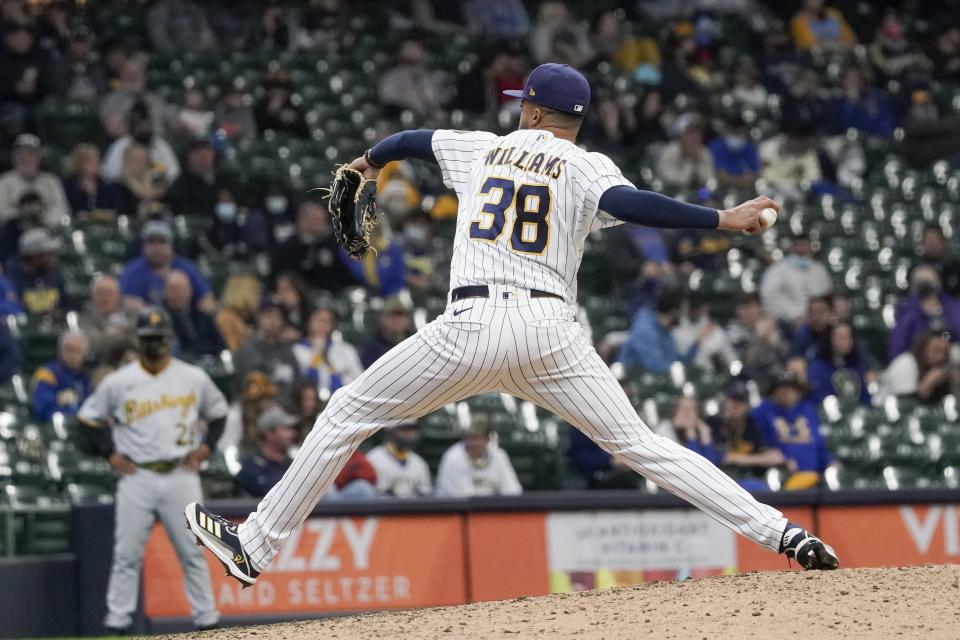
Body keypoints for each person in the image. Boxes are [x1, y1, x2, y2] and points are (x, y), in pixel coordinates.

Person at [187, 63, 838, 588]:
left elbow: (408, 142)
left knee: (346, 413)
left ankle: (254, 547)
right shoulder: (587, 167)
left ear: (529, 111)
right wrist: (723, 218)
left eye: (519, 103)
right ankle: (782, 533)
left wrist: (365, 164)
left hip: (472, 324)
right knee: (643, 446)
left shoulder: (481, 149)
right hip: (552, 334)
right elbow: (633, 206)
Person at [79, 307, 226, 633]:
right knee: (127, 554)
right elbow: (88, 418)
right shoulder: (121, 381)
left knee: (193, 551)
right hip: (138, 476)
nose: (155, 343)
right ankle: (117, 621)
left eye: (160, 338)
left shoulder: (193, 377)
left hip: (181, 475)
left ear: (171, 338)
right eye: (148, 338)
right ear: (138, 340)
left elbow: (218, 412)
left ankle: (207, 618)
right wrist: (110, 454)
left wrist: (207, 447)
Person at [751, 371, 832, 491]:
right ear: (773, 390)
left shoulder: (808, 409)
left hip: (817, 474)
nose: (786, 392)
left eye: (791, 388)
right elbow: (760, 444)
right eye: (780, 387)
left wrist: (829, 460)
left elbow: (818, 441)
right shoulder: (762, 411)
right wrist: (779, 459)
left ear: (799, 391)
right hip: (783, 475)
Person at [120, 220, 214, 312]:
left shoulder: (186, 267)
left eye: (162, 241)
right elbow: (130, 304)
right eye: (151, 242)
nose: (156, 247)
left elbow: (207, 300)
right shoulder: (133, 270)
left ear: (171, 246)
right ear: (143, 246)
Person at [707, 382, 785, 491]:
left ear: (746, 406)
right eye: (731, 400)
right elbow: (723, 457)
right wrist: (759, 459)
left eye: (739, 402)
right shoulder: (712, 422)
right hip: (720, 477)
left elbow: (765, 452)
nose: (734, 405)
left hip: (748, 477)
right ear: (724, 401)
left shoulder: (751, 423)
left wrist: (769, 455)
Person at [270, 199, 357, 294]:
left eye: (323, 219)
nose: (322, 224)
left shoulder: (335, 243)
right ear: (301, 221)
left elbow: (348, 273)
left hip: (336, 294)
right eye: (316, 219)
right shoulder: (286, 250)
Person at [618, 288, 704, 373]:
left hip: (659, 382)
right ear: (674, 311)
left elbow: (676, 361)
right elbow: (658, 367)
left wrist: (696, 343)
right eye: (683, 311)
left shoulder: (666, 332)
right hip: (634, 382)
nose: (684, 316)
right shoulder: (645, 330)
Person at [232, 301, 301, 403]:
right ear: (259, 317)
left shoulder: (286, 351)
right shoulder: (247, 350)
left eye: (277, 317)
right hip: (256, 408)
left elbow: (297, 381)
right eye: (268, 315)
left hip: (288, 408)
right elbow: (249, 387)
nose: (273, 321)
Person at [436, 416, 522, 497]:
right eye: (468, 438)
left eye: (475, 438)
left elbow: (513, 490)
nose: (471, 443)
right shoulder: (453, 457)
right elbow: (456, 497)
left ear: (488, 439)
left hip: (490, 510)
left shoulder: (499, 456)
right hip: (456, 511)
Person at [888, 265, 960, 359]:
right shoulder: (907, 312)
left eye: (929, 281)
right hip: (918, 359)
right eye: (921, 282)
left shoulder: (952, 306)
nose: (926, 286)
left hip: (950, 350)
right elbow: (898, 345)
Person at [759, 234, 832, 326]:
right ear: (792, 247)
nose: (802, 248)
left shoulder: (820, 270)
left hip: (817, 322)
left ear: (810, 247)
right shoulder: (777, 270)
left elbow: (826, 296)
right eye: (799, 245)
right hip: (786, 322)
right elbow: (769, 296)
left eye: (805, 245)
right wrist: (794, 314)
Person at [292, 307, 363, 398]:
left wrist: (326, 359)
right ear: (309, 321)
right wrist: (317, 354)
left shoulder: (346, 350)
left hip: (340, 401)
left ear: (332, 326)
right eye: (319, 319)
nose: (322, 324)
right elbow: (302, 383)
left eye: (327, 321)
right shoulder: (297, 349)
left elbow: (358, 383)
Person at [103, 101, 181, 183]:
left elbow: (174, 172)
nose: (144, 128)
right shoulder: (121, 145)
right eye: (140, 125)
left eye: (147, 124)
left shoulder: (159, 144)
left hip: (156, 189)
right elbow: (110, 173)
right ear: (132, 126)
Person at [0, 134, 69, 226]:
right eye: (20, 153)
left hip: (50, 231)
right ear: (14, 157)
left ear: (39, 157)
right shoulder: (4, 182)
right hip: (16, 234)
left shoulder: (51, 180)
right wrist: (25, 213)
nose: (25, 158)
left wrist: (41, 216)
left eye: (31, 153)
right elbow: (2, 213)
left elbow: (62, 210)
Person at [875, 331, 958, 406]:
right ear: (924, 346)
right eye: (936, 350)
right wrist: (927, 385)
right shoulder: (906, 363)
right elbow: (906, 407)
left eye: (945, 353)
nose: (940, 357)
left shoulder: (940, 369)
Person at [235, 406, 299, 498]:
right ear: (269, 434)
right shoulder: (250, 470)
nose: (291, 434)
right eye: (285, 429)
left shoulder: (294, 465)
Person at [6, 227, 68, 317]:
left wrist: (60, 313)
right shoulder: (12, 279)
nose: (53, 257)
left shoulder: (56, 273)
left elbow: (68, 306)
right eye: (49, 253)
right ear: (35, 256)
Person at [377, 39, 445, 119]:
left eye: (415, 48)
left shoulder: (432, 77)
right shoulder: (391, 77)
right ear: (400, 53)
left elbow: (439, 101)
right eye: (407, 48)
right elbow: (388, 101)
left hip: (428, 121)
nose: (411, 52)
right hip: (402, 121)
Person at [807, 322, 872, 405]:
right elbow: (819, 400)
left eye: (849, 337)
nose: (847, 341)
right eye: (841, 337)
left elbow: (865, 397)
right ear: (830, 339)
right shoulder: (817, 368)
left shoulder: (857, 365)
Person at [31, 331, 91, 421]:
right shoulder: (46, 374)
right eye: (68, 349)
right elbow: (44, 409)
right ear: (60, 351)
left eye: (77, 351)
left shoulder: (86, 377)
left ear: (84, 354)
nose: (72, 355)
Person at [163, 270, 223, 357]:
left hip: (209, 360)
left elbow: (217, 341)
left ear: (190, 290)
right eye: (174, 290)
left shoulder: (202, 312)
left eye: (182, 289)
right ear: (166, 292)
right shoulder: (161, 316)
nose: (178, 294)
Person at [671, 295, 737, 372]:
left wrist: (723, 362)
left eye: (696, 307)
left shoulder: (717, 332)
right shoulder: (674, 329)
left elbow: (733, 364)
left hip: (711, 377)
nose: (693, 310)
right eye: (691, 306)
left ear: (705, 307)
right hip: (683, 376)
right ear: (684, 306)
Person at [77, 274, 134, 363]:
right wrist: (126, 332)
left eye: (109, 292)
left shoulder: (132, 312)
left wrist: (114, 333)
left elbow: (141, 338)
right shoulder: (86, 317)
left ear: (119, 296)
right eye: (100, 292)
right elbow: (95, 343)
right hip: (104, 364)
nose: (105, 296)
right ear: (92, 296)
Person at [366, 423, 433, 498]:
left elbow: (425, 495)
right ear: (390, 432)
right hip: (382, 508)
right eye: (404, 430)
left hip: (413, 508)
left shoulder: (419, 462)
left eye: (411, 430)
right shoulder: (373, 459)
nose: (409, 435)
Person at [164, 140, 227, 218]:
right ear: (189, 156)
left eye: (207, 151)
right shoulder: (182, 184)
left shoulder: (225, 180)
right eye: (198, 152)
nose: (203, 156)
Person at [655, 113, 714, 189]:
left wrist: (696, 160)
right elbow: (673, 182)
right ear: (680, 136)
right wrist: (689, 161)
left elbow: (708, 180)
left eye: (698, 133)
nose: (695, 137)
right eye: (690, 133)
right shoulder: (670, 151)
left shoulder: (704, 152)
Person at [62, 144, 117, 220]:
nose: (95, 164)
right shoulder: (68, 186)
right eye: (90, 161)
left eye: (97, 160)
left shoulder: (106, 186)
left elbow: (114, 210)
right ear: (79, 163)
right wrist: (90, 215)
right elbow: (69, 210)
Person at [655, 396, 718, 462]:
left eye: (692, 409)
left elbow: (712, 464)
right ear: (674, 411)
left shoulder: (697, 430)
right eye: (683, 409)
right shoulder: (664, 429)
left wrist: (705, 433)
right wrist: (691, 434)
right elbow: (693, 464)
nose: (687, 413)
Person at [708, 115, 760, 189]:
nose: (736, 136)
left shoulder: (750, 148)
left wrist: (730, 178)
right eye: (734, 132)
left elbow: (755, 175)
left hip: (746, 190)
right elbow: (718, 175)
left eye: (739, 133)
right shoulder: (716, 146)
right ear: (726, 131)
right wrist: (742, 180)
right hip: (721, 188)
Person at [147, 0, 216, 55]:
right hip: (174, 58)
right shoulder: (156, 13)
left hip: (201, 54)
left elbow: (208, 36)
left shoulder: (194, 9)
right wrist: (188, 49)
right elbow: (161, 43)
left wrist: (204, 44)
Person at [360, 297, 413, 368]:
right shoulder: (371, 349)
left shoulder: (416, 343)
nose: (397, 320)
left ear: (408, 319)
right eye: (392, 316)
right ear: (381, 318)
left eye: (401, 315)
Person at [216, 274, 262, 352]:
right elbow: (234, 349)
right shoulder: (226, 318)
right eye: (255, 293)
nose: (258, 298)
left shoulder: (252, 316)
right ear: (243, 294)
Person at [791, 0, 856, 53]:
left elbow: (851, 40)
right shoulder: (799, 20)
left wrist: (829, 45)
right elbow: (812, 45)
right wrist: (838, 45)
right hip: (814, 62)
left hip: (843, 56)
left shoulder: (834, 13)